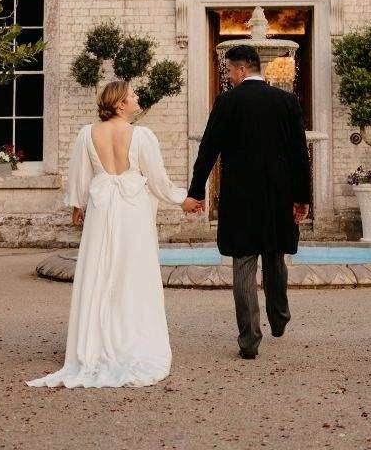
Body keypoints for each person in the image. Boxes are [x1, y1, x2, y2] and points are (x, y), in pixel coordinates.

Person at [27, 79, 201, 389]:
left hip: (102, 208)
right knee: (132, 273)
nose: (137, 98)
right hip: (132, 211)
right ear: (120, 104)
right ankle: (132, 342)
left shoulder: (87, 134)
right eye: (133, 95)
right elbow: (157, 179)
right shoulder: (141, 136)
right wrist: (182, 200)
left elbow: (80, 176)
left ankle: (94, 341)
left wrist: (77, 206)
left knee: (99, 270)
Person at [187, 44, 311, 359]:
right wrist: (302, 197)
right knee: (274, 258)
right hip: (278, 197)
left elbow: (208, 150)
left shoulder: (227, 102)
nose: (227, 76)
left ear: (242, 69)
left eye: (228, 70)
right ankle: (279, 316)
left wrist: (196, 190)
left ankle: (249, 341)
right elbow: (299, 154)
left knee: (242, 265)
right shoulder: (287, 101)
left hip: (239, 197)